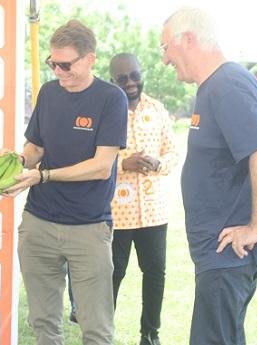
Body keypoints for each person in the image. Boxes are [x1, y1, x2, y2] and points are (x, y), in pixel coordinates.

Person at [161, 7, 257, 344]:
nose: (164, 60)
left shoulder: (226, 86)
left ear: (187, 39)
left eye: (165, 48)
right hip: (220, 253)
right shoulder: (216, 85)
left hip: (228, 254)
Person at [4, 19, 128, 344]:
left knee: (96, 329)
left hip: (88, 228)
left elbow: (102, 166)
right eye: (52, 63)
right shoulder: (48, 92)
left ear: (90, 59)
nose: (58, 72)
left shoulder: (111, 99)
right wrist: (14, 162)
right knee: (43, 323)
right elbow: (36, 147)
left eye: (65, 64)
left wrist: (42, 175)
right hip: (38, 224)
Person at [108, 53, 178, 345]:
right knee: (112, 274)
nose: (130, 83)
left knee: (155, 274)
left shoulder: (158, 110)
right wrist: (125, 162)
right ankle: (101, 331)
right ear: (113, 80)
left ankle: (150, 334)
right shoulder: (106, 110)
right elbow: (92, 156)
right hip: (116, 212)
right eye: (122, 78)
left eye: (134, 75)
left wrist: (158, 163)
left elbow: (173, 153)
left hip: (154, 212)